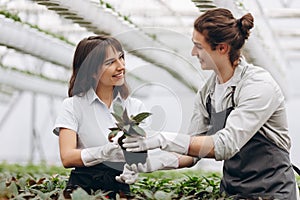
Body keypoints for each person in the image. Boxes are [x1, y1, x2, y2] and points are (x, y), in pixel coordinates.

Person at [121, 8, 299, 199]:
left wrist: (163, 139)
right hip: (233, 193)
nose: (192, 52)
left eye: (198, 46)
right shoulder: (208, 92)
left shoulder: (258, 86)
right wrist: (151, 163)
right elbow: (192, 151)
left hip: (273, 192)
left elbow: (226, 144)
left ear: (222, 48)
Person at [53, 35, 193, 199]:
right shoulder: (73, 106)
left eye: (121, 58)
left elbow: (141, 153)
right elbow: (67, 157)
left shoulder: (134, 107)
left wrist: (136, 166)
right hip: (82, 189)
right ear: (91, 71)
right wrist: (104, 152)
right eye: (110, 62)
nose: (121, 66)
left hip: (120, 187)